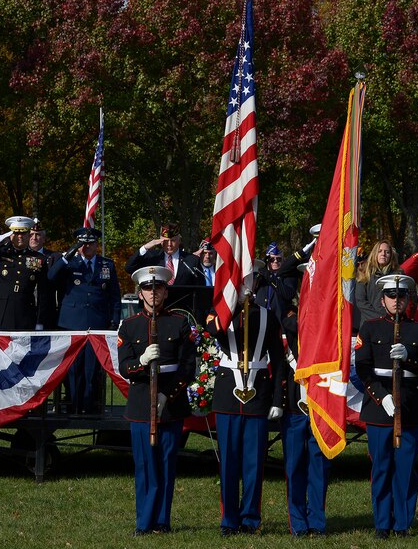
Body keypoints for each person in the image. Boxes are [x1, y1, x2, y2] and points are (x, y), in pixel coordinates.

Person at [354, 274, 418, 539]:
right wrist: (381, 396)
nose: (396, 301)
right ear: (382, 299)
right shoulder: (369, 328)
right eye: (391, 296)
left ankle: (402, 523)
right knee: (381, 467)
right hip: (380, 408)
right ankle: (382, 523)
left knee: (405, 468)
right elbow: (363, 368)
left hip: (410, 407)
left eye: (401, 296)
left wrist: (409, 356)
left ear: (408, 299)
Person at [117, 265, 196, 536]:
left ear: (165, 291)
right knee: (144, 466)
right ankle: (144, 521)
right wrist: (140, 361)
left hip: (170, 404)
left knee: (166, 464)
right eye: (148, 289)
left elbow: (187, 365)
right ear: (140, 294)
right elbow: (124, 366)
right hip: (140, 405)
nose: (153, 293)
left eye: (158, 288)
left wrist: (167, 394)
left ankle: (162, 521)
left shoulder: (179, 323)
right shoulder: (129, 326)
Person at [207, 292, 286, 536]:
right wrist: (229, 304)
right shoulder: (219, 313)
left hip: (258, 395)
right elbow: (213, 331)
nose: (243, 284)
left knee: (254, 463)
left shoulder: (268, 316)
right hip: (227, 398)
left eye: (248, 278)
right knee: (228, 463)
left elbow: (279, 359)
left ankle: (250, 518)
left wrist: (277, 399)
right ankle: (229, 520)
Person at [48, 226, 121, 414]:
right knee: (73, 368)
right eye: (82, 244)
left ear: (97, 245)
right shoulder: (69, 263)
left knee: (92, 368)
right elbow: (51, 276)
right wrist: (69, 253)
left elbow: (114, 296)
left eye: (89, 244)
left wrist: (114, 321)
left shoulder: (107, 264)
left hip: (96, 323)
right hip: (72, 324)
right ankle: (73, 404)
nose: (85, 247)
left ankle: (89, 405)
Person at [280, 305, 330, 538]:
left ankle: (317, 521)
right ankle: (298, 522)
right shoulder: (292, 319)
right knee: (294, 464)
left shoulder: (330, 321)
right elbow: (287, 323)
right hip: (294, 405)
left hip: (321, 405)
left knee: (318, 465)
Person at [124, 223, 203, 286]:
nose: (169, 244)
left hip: (182, 305)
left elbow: (200, 286)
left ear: (179, 241)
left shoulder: (192, 260)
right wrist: (145, 247)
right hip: (156, 304)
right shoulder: (152, 257)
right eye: (165, 241)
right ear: (160, 241)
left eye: (173, 240)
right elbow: (129, 268)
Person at [356, 240, 398, 327]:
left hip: (392, 324)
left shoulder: (397, 275)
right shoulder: (364, 272)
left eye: (387, 252)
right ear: (375, 253)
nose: (383, 254)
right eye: (380, 251)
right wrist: (380, 318)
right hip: (369, 323)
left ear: (391, 256)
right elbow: (361, 301)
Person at [253, 242, 297, 323]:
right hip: (259, 319)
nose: (275, 261)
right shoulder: (260, 276)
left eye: (279, 259)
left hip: (278, 321)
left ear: (283, 260)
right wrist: (262, 266)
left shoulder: (289, 275)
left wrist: (270, 276)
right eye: (271, 259)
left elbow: (288, 295)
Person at [29, 218, 58, 329]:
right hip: (24, 311)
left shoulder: (54, 257)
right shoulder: (20, 256)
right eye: (31, 234)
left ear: (44, 238)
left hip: (47, 311)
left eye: (38, 235)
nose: (34, 238)